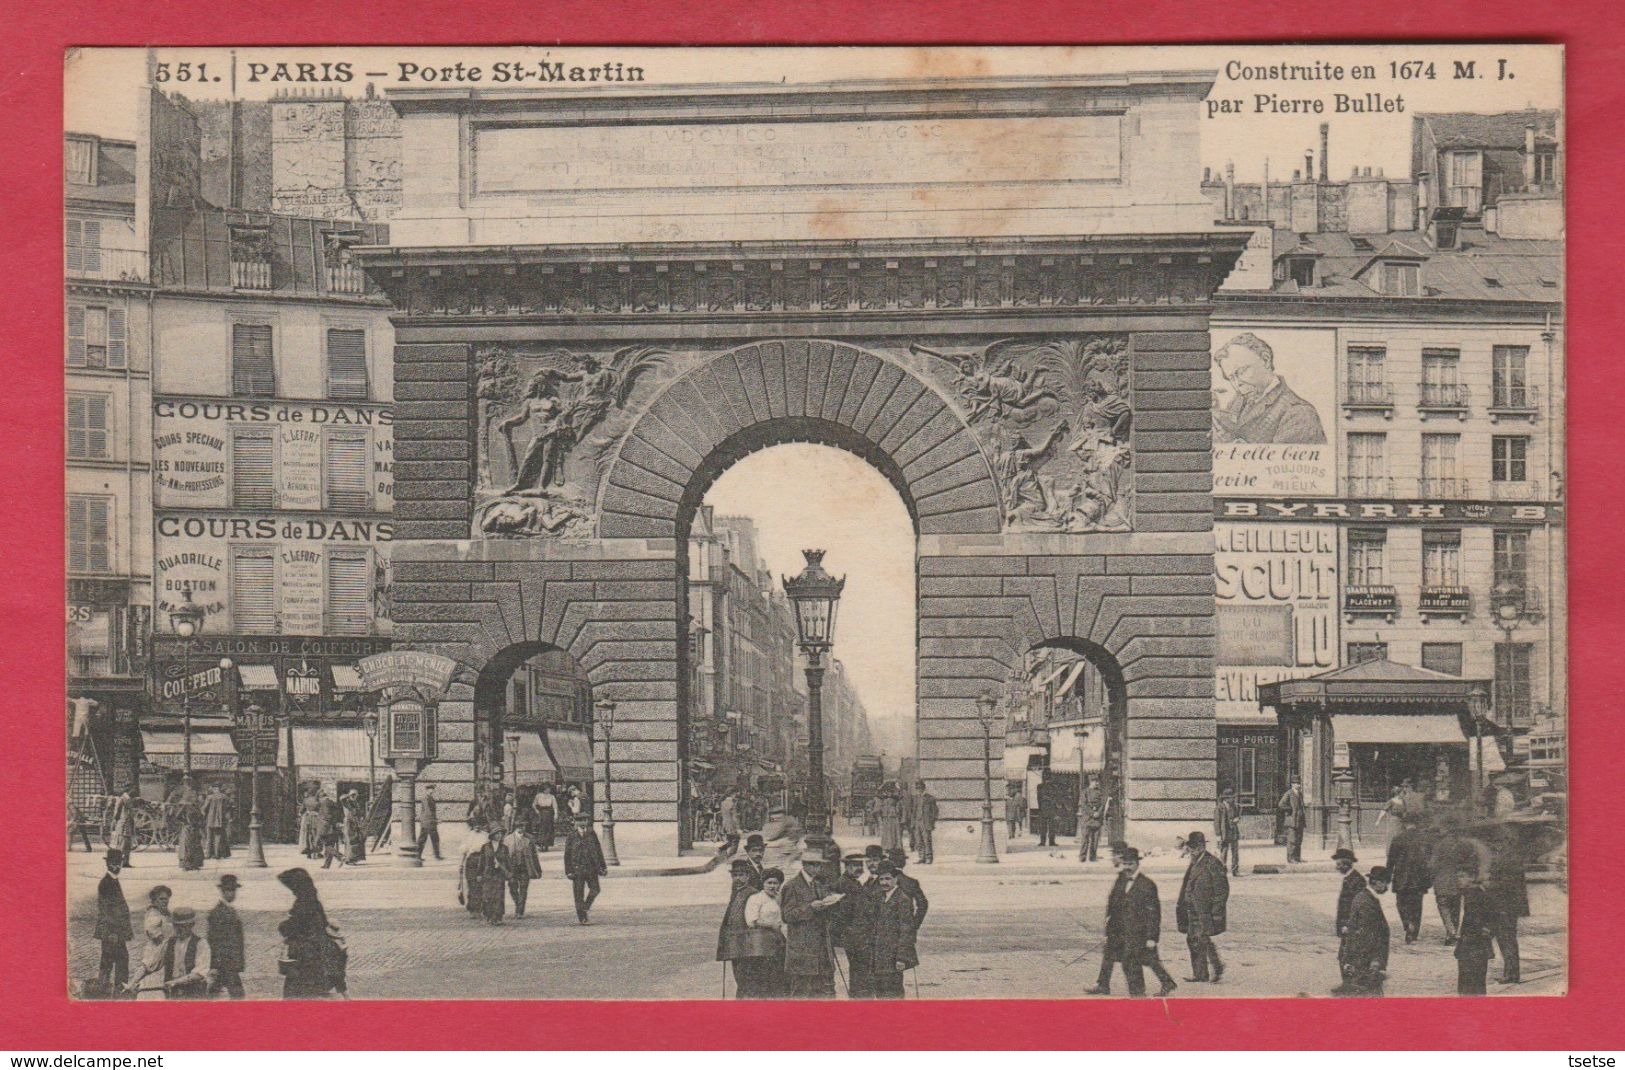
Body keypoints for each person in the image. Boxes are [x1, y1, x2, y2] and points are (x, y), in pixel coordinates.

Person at [1088, 845, 1176, 998]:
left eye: (1131, 864)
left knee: (1133, 960)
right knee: (1110, 954)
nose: (1127, 867)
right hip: (1118, 928)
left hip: (1137, 931)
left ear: (1137, 864)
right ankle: (1103, 985)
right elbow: (1113, 901)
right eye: (1125, 864)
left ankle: (1138, 992)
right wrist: (1108, 927)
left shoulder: (1147, 885)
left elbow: (1154, 914)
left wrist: (1152, 938)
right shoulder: (1121, 878)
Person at [781, 849, 843, 998]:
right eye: (814, 865)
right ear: (805, 865)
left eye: (819, 865)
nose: (818, 868)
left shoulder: (817, 884)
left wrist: (830, 902)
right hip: (802, 948)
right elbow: (787, 915)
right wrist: (810, 908)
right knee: (801, 991)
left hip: (820, 947)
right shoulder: (792, 885)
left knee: (819, 990)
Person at [277, 867, 346, 999]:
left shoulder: (302, 904)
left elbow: (291, 927)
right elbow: (324, 924)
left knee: (294, 994)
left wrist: (283, 925)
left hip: (305, 958)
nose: (292, 892)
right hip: (319, 955)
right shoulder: (314, 901)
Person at [1175, 831, 1229, 983]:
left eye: (1193, 848)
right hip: (1191, 909)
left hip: (1205, 911)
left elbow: (1222, 890)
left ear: (1201, 847)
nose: (1190, 851)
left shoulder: (1212, 863)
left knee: (1200, 938)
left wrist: (1216, 913)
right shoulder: (1194, 862)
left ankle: (1214, 968)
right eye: (1189, 848)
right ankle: (1202, 973)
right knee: (1194, 939)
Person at [864, 862, 920, 999]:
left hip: (893, 956)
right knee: (881, 992)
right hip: (880, 956)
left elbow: (906, 931)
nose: (884, 882)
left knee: (893, 992)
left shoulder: (902, 900)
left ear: (896, 879)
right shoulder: (881, 897)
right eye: (881, 879)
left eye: (888, 879)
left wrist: (901, 958)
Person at [1335, 866, 1391, 996]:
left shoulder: (1366, 898)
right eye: (1385, 884)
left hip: (1361, 960)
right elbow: (1366, 935)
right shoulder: (1365, 902)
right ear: (1378, 882)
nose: (1387, 888)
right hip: (1363, 961)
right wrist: (1375, 961)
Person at [739, 866, 790, 997]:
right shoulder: (756, 898)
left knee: (779, 976)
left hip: (779, 941)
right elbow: (751, 920)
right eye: (769, 883)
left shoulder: (778, 898)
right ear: (763, 884)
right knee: (764, 977)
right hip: (761, 942)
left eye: (776, 883)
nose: (772, 886)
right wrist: (770, 925)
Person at [717, 858, 764, 997]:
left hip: (747, 946)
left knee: (747, 982)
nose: (737, 878)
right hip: (736, 945)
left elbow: (755, 921)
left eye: (741, 875)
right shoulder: (737, 892)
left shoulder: (753, 894)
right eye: (735, 875)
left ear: (748, 876)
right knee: (741, 981)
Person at [1488, 827, 1528, 984]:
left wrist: (1489, 884)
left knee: (1506, 939)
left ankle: (1511, 974)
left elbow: (1507, 884)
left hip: (1505, 905)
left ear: (1505, 841)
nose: (1495, 845)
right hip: (1508, 905)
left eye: (1497, 842)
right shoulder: (1511, 856)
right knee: (1507, 939)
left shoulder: (1507, 858)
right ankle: (1511, 972)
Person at [832, 852, 875, 999]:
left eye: (860, 865)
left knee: (860, 971)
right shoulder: (845, 884)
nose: (859, 868)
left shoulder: (854, 882)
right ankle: (860, 1000)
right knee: (860, 971)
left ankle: (860, 998)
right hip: (855, 935)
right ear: (847, 867)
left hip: (859, 934)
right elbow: (843, 912)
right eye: (855, 866)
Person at [1384, 816, 1432, 943]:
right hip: (1419, 879)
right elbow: (1429, 860)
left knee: (1401, 904)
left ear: (1405, 824)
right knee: (1417, 906)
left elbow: (1391, 861)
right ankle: (1413, 932)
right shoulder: (1424, 839)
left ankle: (1407, 924)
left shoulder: (1398, 839)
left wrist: (1387, 877)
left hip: (1401, 878)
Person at [1454, 866, 1498, 996]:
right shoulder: (1472, 893)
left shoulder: (1473, 895)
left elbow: (1475, 920)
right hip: (1475, 944)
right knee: (1477, 982)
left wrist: (1484, 930)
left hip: (1473, 945)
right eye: (1457, 877)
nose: (1458, 880)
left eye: (1462, 876)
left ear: (1472, 878)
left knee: (1469, 981)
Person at [94, 850, 132, 997]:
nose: (117, 867)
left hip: (112, 931)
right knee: (121, 959)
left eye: (119, 863)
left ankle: (103, 988)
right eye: (113, 864)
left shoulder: (112, 880)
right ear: (108, 864)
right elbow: (108, 911)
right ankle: (119, 990)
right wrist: (114, 932)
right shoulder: (107, 883)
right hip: (112, 931)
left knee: (108, 959)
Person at [564, 812, 607, 925]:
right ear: (576, 822)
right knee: (578, 894)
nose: (583, 822)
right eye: (580, 820)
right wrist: (568, 871)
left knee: (595, 889)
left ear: (587, 821)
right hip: (577, 869)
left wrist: (603, 866)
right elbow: (567, 855)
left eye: (585, 820)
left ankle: (585, 906)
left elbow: (598, 851)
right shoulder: (571, 836)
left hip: (591, 868)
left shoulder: (592, 833)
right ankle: (582, 918)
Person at [207, 874, 245, 999]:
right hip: (225, 963)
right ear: (222, 892)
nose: (232, 894)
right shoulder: (218, 913)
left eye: (234, 890)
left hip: (229, 962)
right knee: (238, 995)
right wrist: (215, 964)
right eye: (229, 890)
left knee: (214, 993)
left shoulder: (229, 910)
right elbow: (214, 940)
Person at [159, 907, 210, 1000]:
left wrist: (176, 982)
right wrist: (133, 983)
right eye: (176, 925)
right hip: (173, 994)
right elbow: (150, 964)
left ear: (191, 925)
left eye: (183, 926)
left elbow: (199, 973)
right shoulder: (168, 943)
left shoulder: (201, 944)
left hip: (195, 994)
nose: (179, 929)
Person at [124, 913, 171, 1000]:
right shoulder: (152, 946)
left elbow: (146, 967)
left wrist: (131, 984)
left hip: (159, 986)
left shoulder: (162, 945)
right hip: (154, 985)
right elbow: (146, 966)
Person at [470, 827, 510, 926]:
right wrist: (479, 874)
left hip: (499, 875)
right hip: (488, 874)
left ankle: (498, 917)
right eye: (497, 834)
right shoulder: (486, 847)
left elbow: (508, 862)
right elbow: (482, 861)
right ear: (492, 836)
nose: (499, 836)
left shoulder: (504, 848)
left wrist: (509, 873)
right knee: (488, 896)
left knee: (499, 896)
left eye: (501, 834)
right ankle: (489, 916)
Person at [886, 848, 929, 935]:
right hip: (906, 930)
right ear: (904, 863)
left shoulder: (881, 881)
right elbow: (923, 904)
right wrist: (914, 925)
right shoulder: (912, 882)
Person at [506, 823, 542, 919]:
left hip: (525, 867)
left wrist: (538, 869)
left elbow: (534, 855)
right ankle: (518, 904)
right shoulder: (507, 839)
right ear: (515, 827)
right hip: (512, 867)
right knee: (512, 887)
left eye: (522, 826)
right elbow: (504, 855)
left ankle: (520, 911)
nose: (521, 828)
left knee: (523, 889)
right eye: (518, 826)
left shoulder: (529, 839)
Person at [1333, 847, 1364, 938]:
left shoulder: (1357, 880)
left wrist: (1348, 925)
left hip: (1351, 926)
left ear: (1346, 865)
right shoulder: (1350, 878)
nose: (1336, 868)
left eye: (1339, 865)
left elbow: (1357, 905)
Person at [1213, 787, 1241, 876]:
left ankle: (1235, 870)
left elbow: (1237, 816)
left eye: (1233, 797)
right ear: (1226, 798)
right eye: (1232, 797)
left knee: (1235, 852)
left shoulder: (1235, 806)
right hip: (1224, 833)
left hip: (1233, 832)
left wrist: (1237, 819)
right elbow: (1216, 822)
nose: (1233, 799)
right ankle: (1222, 871)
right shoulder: (1219, 808)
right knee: (1224, 852)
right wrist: (1218, 835)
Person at [1278, 778, 1306, 864]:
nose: (1299, 785)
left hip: (1299, 820)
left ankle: (1297, 857)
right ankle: (1291, 858)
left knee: (1299, 839)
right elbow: (1281, 804)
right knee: (1292, 840)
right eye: (1297, 783)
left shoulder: (1300, 794)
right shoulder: (1289, 793)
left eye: (1299, 783)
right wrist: (1290, 810)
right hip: (1292, 820)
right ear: (1293, 784)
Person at [108, 790, 137, 866]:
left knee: (127, 844)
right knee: (122, 844)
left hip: (128, 824)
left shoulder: (129, 799)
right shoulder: (121, 799)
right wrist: (115, 822)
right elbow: (117, 812)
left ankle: (126, 862)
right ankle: (119, 862)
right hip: (123, 824)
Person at [203, 783, 231, 860]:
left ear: (214, 788)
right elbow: (229, 808)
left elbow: (204, 808)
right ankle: (218, 854)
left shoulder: (210, 797)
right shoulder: (225, 797)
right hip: (221, 820)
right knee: (219, 837)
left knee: (209, 837)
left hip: (210, 819)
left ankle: (209, 854)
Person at [913, 782, 938, 864]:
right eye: (917, 788)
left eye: (920, 788)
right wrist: (913, 822)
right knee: (918, 840)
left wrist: (932, 821)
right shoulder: (916, 798)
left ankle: (928, 857)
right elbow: (914, 811)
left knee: (927, 840)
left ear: (923, 788)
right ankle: (921, 857)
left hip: (926, 822)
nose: (918, 790)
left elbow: (935, 811)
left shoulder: (930, 798)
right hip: (917, 822)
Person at [1083, 780, 1106, 863]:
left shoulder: (1100, 792)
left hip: (1097, 819)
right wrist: (1092, 813)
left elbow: (1102, 804)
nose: (1097, 783)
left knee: (1095, 839)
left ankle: (1093, 857)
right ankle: (1082, 857)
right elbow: (1083, 805)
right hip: (1087, 818)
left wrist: (1098, 813)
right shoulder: (1085, 792)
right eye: (1095, 782)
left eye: (1097, 781)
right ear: (1090, 782)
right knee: (1085, 838)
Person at [417, 784, 442, 861]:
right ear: (427, 790)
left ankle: (436, 855)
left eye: (433, 789)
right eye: (431, 789)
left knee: (434, 839)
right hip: (427, 822)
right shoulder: (425, 799)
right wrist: (435, 821)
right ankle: (418, 856)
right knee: (423, 839)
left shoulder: (431, 798)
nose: (433, 790)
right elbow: (428, 811)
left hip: (430, 821)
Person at [341, 791, 366, 864]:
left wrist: (360, 819)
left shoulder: (356, 803)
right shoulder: (346, 802)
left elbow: (358, 813)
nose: (355, 797)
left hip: (355, 822)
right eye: (353, 795)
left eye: (355, 796)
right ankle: (349, 859)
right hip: (349, 823)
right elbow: (341, 798)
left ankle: (355, 858)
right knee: (350, 840)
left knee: (357, 840)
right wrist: (348, 795)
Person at [299, 787, 323, 858]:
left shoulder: (305, 800)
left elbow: (301, 811)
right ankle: (317, 852)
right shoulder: (318, 800)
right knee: (317, 835)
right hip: (317, 818)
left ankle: (309, 852)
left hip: (307, 818)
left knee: (308, 835)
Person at [531, 785, 556, 851]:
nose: (549, 790)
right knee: (541, 828)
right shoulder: (538, 796)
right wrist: (536, 810)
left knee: (549, 828)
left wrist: (556, 814)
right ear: (544, 789)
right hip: (541, 813)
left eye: (549, 789)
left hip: (549, 813)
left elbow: (555, 806)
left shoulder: (552, 796)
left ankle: (546, 844)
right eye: (547, 788)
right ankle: (541, 843)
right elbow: (533, 804)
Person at [719, 791, 741, 857]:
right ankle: (730, 856)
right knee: (735, 840)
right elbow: (734, 817)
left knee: (730, 840)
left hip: (725, 824)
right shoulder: (732, 804)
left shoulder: (723, 803)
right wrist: (738, 828)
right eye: (735, 794)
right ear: (732, 794)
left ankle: (721, 849)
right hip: (732, 825)